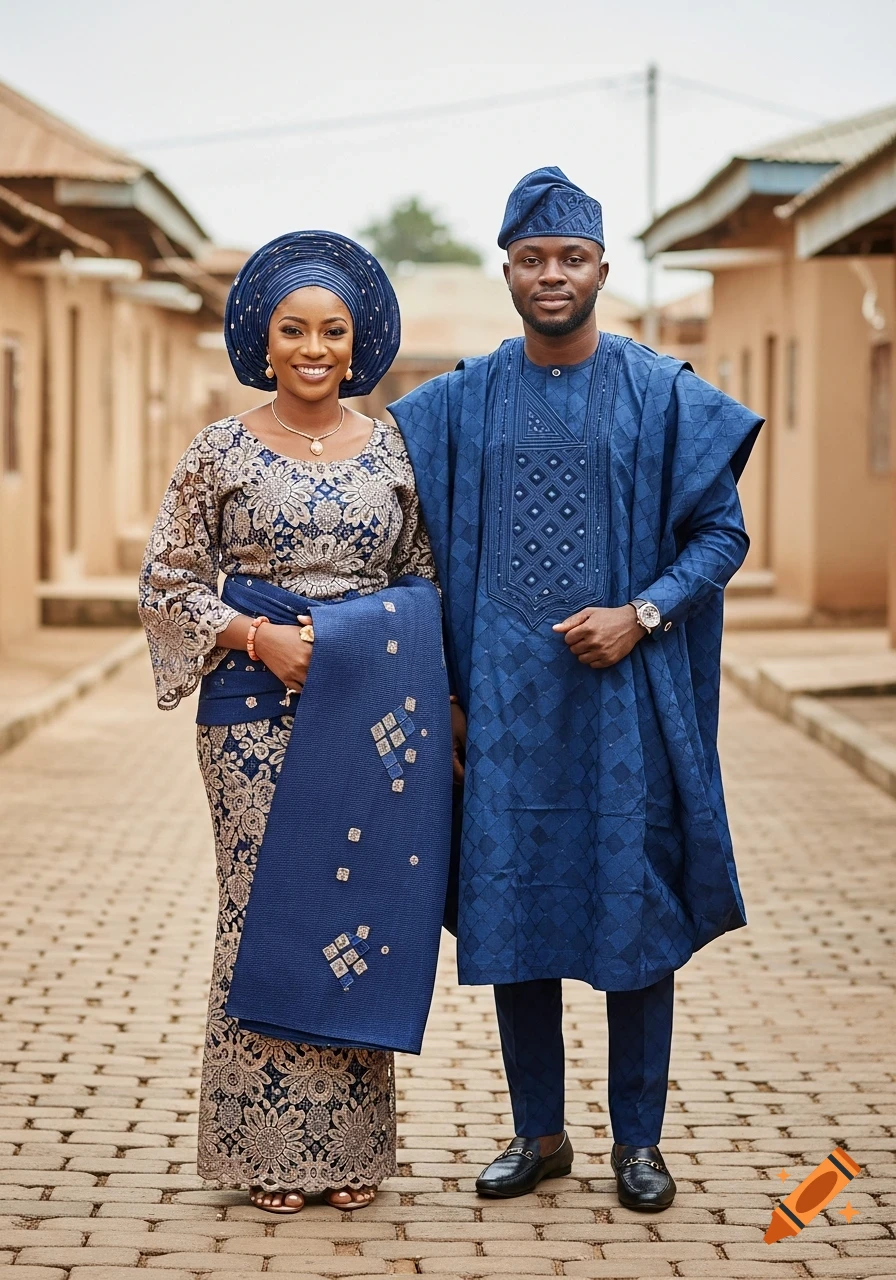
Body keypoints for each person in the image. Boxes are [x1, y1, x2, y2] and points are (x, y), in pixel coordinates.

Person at [389, 168, 763, 1212]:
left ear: (603, 267)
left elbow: (720, 531)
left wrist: (639, 612)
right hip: (503, 718)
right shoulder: (460, 401)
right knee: (517, 907)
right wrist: (445, 695)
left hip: (622, 714)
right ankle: (538, 1132)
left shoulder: (660, 391)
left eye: (571, 257)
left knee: (631, 912)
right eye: (531, 257)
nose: (550, 274)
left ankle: (637, 1142)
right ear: (504, 267)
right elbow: (400, 539)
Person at [140, 230, 456, 1215]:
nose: (314, 347)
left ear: (356, 343)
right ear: (262, 339)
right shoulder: (219, 451)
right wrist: (251, 634)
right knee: (261, 909)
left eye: (333, 330)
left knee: (355, 911)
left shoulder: (395, 449)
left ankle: (348, 1147)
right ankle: (263, 1147)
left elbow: (424, 578)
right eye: (294, 329)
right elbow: (165, 581)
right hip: (250, 717)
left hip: (370, 717)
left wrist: (420, 684)